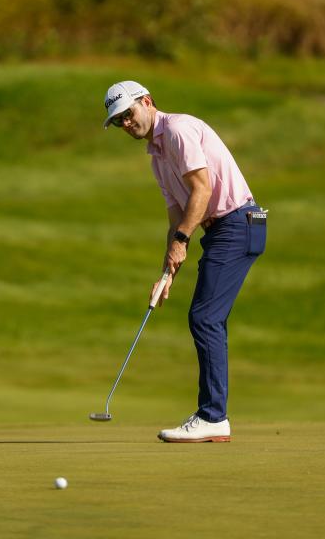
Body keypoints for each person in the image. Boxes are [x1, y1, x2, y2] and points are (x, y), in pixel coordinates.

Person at [102, 80, 267, 443]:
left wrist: (182, 242)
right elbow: (177, 216)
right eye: (118, 122)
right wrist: (167, 271)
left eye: (128, 114)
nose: (126, 124)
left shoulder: (177, 130)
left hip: (237, 224)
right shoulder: (157, 158)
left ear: (147, 102)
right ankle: (214, 415)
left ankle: (213, 417)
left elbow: (202, 190)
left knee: (204, 317)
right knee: (206, 317)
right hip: (224, 229)